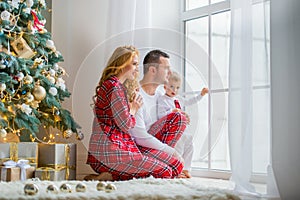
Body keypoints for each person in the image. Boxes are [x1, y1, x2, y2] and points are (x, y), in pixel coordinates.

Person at [86, 46, 181, 181]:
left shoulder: (118, 86)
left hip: (123, 147)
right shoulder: (114, 87)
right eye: (134, 64)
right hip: (111, 151)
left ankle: (114, 175)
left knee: (175, 167)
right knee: (165, 171)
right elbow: (126, 125)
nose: (137, 69)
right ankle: (112, 175)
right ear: (121, 64)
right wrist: (134, 109)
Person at [129, 49, 188, 179]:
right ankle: (117, 174)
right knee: (173, 167)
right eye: (166, 68)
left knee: (179, 117)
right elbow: (139, 137)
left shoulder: (162, 96)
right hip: (140, 148)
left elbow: (170, 128)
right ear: (152, 70)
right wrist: (172, 153)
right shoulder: (136, 95)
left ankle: (163, 164)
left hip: (156, 147)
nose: (171, 73)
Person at [157, 71, 209, 178]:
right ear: (165, 86)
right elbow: (160, 115)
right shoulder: (162, 100)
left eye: (177, 87)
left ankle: (186, 169)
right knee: (179, 146)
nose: (174, 90)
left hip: (182, 129)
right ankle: (178, 169)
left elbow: (190, 101)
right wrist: (173, 110)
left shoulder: (178, 99)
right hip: (171, 130)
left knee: (189, 143)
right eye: (171, 86)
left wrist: (201, 95)